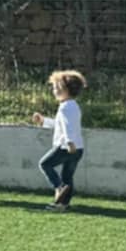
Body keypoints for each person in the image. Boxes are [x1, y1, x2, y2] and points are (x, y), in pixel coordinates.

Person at [32, 70, 86, 210]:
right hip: (78, 148)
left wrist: (69, 142)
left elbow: (68, 127)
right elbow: (60, 124)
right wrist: (43, 121)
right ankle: (63, 204)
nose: (54, 91)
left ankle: (59, 187)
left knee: (45, 164)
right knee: (67, 176)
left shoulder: (65, 108)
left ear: (66, 90)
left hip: (66, 147)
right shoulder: (73, 106)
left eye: (56, 88)